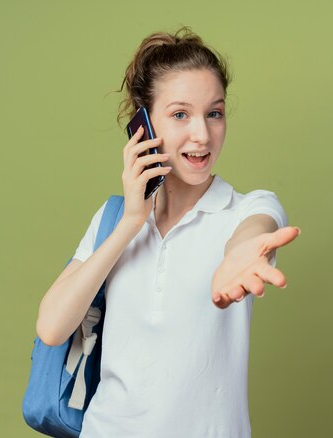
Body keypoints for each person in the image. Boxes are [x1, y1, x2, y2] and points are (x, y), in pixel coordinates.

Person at [36, 26, 300, 438]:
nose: (202, 134)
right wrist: (130, 223)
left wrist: (243, 252)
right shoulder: (115, 219)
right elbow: (52, 327)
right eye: (180, 114)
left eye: (214, 113)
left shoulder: (246, 208)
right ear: (143, 127)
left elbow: (255, 230)